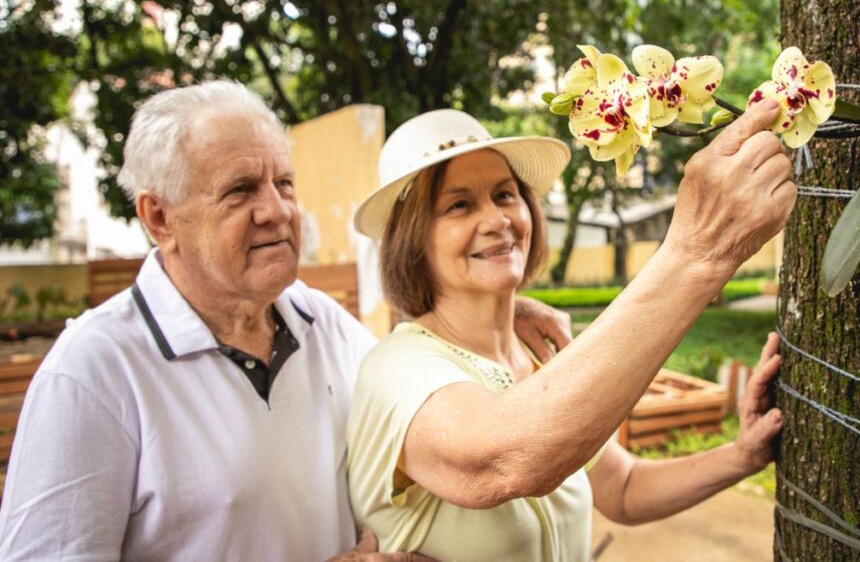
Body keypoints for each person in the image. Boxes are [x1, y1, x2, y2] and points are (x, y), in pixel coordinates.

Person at [0, 81, 572, 561]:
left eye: (284, 183)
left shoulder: (324, 325)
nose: (276, 210)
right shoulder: (92, 374)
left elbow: (420, 372)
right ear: (160, 218)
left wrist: (495, 308)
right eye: (240, 191)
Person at [346, 104, 795, 560]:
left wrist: (743, 455)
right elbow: (503, 460)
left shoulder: (538, 355)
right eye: (458, 205)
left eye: (504, 195)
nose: (497, 220)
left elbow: (621, 487)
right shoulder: (395, 369)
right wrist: (696, 253)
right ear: (412, 241)